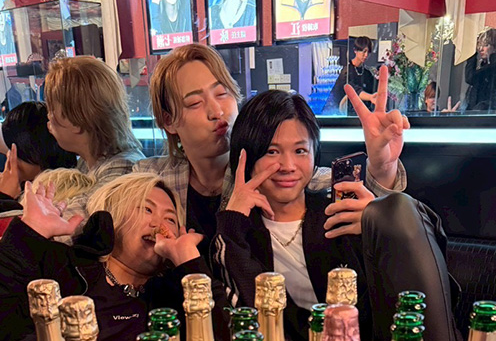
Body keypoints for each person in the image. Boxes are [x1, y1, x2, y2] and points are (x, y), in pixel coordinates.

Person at [213, 89, 462, 341]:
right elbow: (246, 306)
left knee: (398, 208)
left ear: (314, 153)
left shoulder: (340, 212)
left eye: (300, 150)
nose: (288, 165)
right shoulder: (241, 235)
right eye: (272, 151)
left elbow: (412, 263)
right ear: (246, 157)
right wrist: (232, 222)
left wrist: (378, 212)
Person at [137, 43, 409, 260]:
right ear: (168, 121)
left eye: (222, 94)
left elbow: (322, 182)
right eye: (195, 103)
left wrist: (382, 165)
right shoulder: (153, 180)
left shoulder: (266, 170)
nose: (217, 111)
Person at [0, 173, 227, 341]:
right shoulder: (65, 267)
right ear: (114, 215)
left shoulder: (173, 299)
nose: (160, 225)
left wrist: (189, 262)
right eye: (147, 209)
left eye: (171, 219)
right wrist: (28, 234)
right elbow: (6, 327)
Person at [44, 56, 144, 208]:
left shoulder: (120, 171)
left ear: (76, 121)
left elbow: (75, 218)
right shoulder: (88, 162)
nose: (48, 117)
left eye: (52, 110)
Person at [323, 36, 376, 115]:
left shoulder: (367, 73)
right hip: (338, 113)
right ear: (355, 50)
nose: (366, 55)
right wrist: (370, 97)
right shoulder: (346, 71)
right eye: (364, 51)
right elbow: (353, 90)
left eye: (368, 52)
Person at [465, 28, 496, 112]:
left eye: (486, 45)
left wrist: (471, 56)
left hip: (484, 112)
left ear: (495, 47)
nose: (481, 49)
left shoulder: (494, 66)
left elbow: (470, 77)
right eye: (479, 45)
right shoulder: (486, 65)